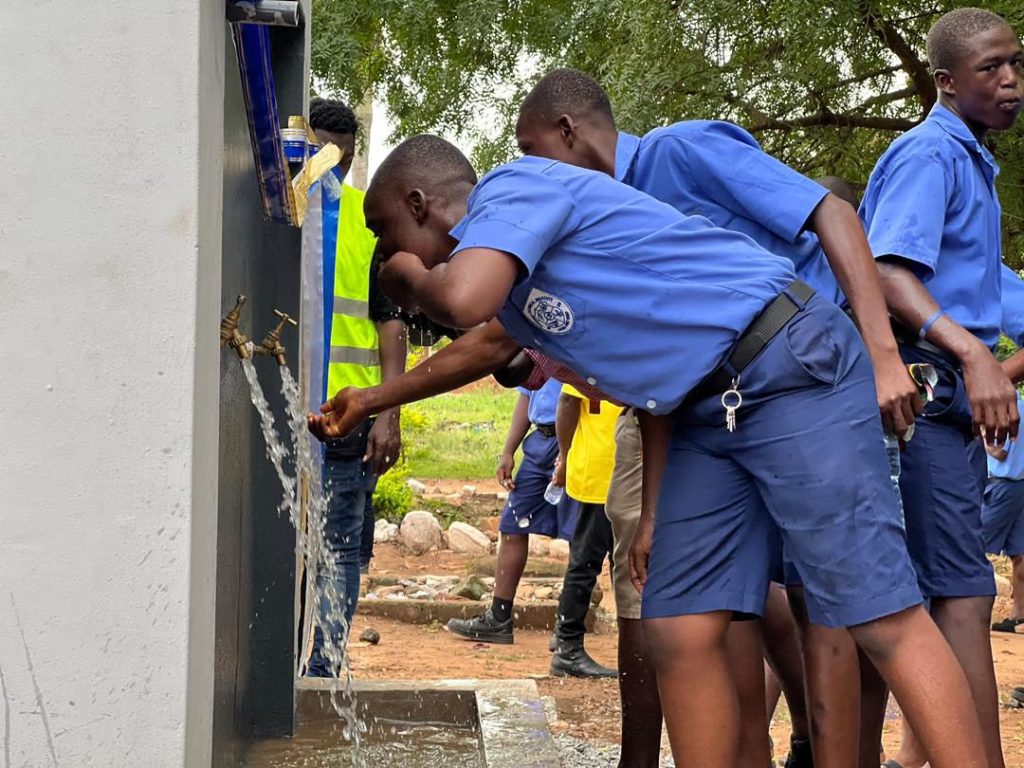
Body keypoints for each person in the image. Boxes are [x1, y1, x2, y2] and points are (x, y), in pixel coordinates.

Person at [308, 134, 987, 767]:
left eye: (383, 232)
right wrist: (372, 400)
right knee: (678, 627)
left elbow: (460, 301)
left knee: (878, 614)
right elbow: (486, 343)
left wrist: (408, 282)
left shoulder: (513, 189)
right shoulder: (515, 282)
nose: (383, 249)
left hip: (786, 364)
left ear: (419, 206)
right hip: (702, 411)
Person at [513, 68, 916, 766]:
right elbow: (662, 371)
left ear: (568, 132)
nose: (530, 171)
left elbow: (831, 214)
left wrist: (883, 354)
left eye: (531, 150)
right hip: (719, 417)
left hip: (806, 384)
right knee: (727, 609)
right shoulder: (612, 217)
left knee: (835, 605)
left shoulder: (680, 152)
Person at [859, 8, 1022, 767]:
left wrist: (979, 377)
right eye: (992, 68)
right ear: (948, 82)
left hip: (948, 408)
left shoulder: (972, 162)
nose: (1012, 80)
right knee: (953, 594)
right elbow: (887, 271)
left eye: (1016, 64)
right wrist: (975, 358)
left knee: (955, 591)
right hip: (915, 402)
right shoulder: (930, 156)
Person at [303, 98, 406, 677]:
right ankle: (318, 663)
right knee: (337, 550)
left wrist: (388, 414)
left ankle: (321, 666)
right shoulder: (300, 212)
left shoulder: (364, 224)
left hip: (347, 417)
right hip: (349, 414)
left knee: (337, 549)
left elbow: (391, 323)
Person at [445, 378, 577, 643]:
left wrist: (567, 452)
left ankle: (569, 630)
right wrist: (508, 451)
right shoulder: (536, 344)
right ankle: (499, 617)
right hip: (540, 441)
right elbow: (526, 395)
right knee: (513, 527)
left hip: (577, 439)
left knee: (579, 533)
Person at [548, 385, 619, 678]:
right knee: (586, 561)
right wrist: (565, 457)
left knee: (615, 562)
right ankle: (568, 646)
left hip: (615, 470)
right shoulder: (603, 349)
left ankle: (566, 639)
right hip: (603, 471)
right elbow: (567, 401)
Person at [984, 393, 1024, 632]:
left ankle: (971, 614)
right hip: (1021, 485)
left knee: (972, 546)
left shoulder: (1005, 409)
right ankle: (1020, 615)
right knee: (1019, 554)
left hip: (1002, 485)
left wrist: (979, 435)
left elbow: (999, 452)